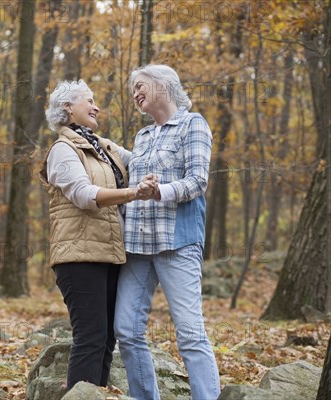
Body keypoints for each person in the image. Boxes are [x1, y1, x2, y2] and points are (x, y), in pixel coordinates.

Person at [114, 64, 221, 399]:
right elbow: (137, 174)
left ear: (164, 85)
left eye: (140, 86)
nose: (135, 94)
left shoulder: (193, 124)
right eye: (133, 90)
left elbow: (198, 180)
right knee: (126, 330)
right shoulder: (143, 136)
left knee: (189, 333)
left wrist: (160, 191)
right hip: (137, 247)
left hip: (176, 243)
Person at [39, 79, 153, 390]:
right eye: (89, 101)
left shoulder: (104, 147)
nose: (96, 107)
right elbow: (83, 194)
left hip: (110, 254)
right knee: (90, 336)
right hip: (78, 257)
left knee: (106, 339)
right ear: (67, 108)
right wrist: (131, 193)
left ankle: (95, 395)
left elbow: (143, 162)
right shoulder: (62, 150)